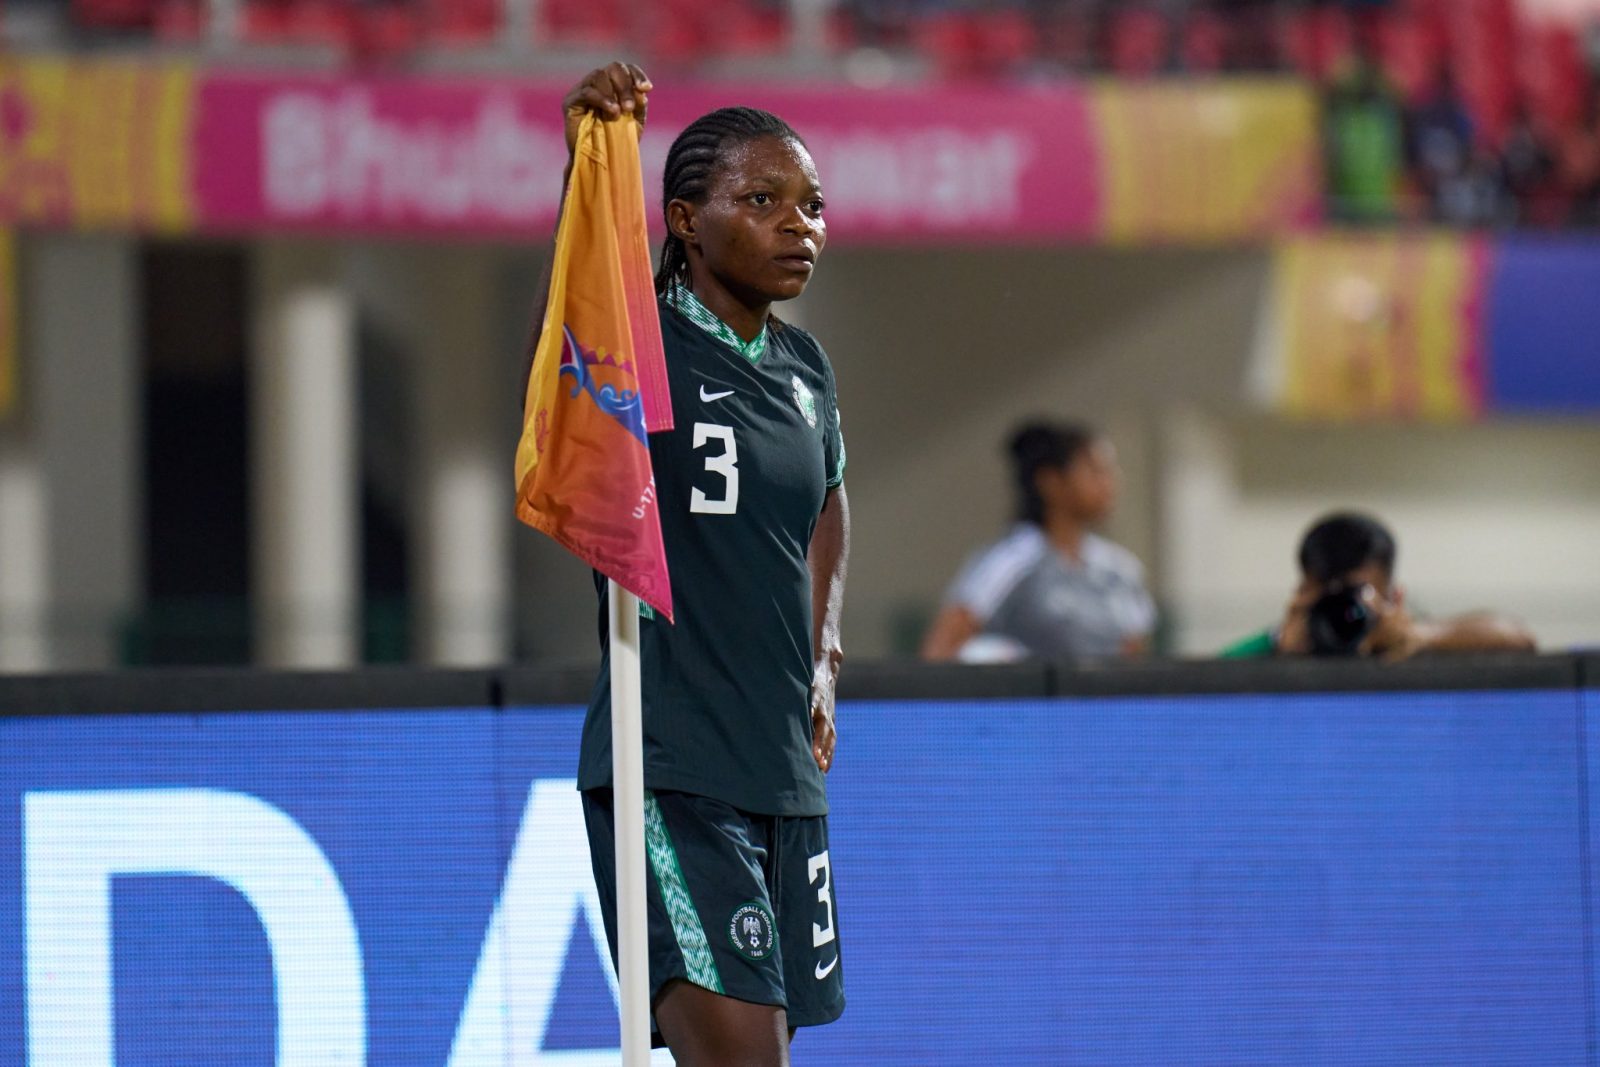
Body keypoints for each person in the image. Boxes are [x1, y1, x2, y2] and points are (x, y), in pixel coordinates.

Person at [532, 63, 850, 1066]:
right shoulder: (639, 353)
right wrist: (587, 160)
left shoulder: (806, 369)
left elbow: (830, 501)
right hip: (674, 766)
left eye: (811, 205)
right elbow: (572, 333)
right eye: (761, 201)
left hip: (781, 769)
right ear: (684, 221)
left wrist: (825, 650)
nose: (798, 225)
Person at [920, 420, 1156, 662]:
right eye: (1095, 471)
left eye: (1110, 471)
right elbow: (941, 649)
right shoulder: (1008, 561)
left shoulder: (1120, 569)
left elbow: (1134, 656)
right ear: (1051, 481)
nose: (1110, 483)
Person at [1219, 511, 1536, 660]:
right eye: (1326, 595)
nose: (1342, 611)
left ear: (1395, 597)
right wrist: (1282, 664)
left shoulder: (1407, 640)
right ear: (1302, 594)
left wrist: (1424, 636)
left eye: (1356, 596)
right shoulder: (1271, 649)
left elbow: (1519, 638)